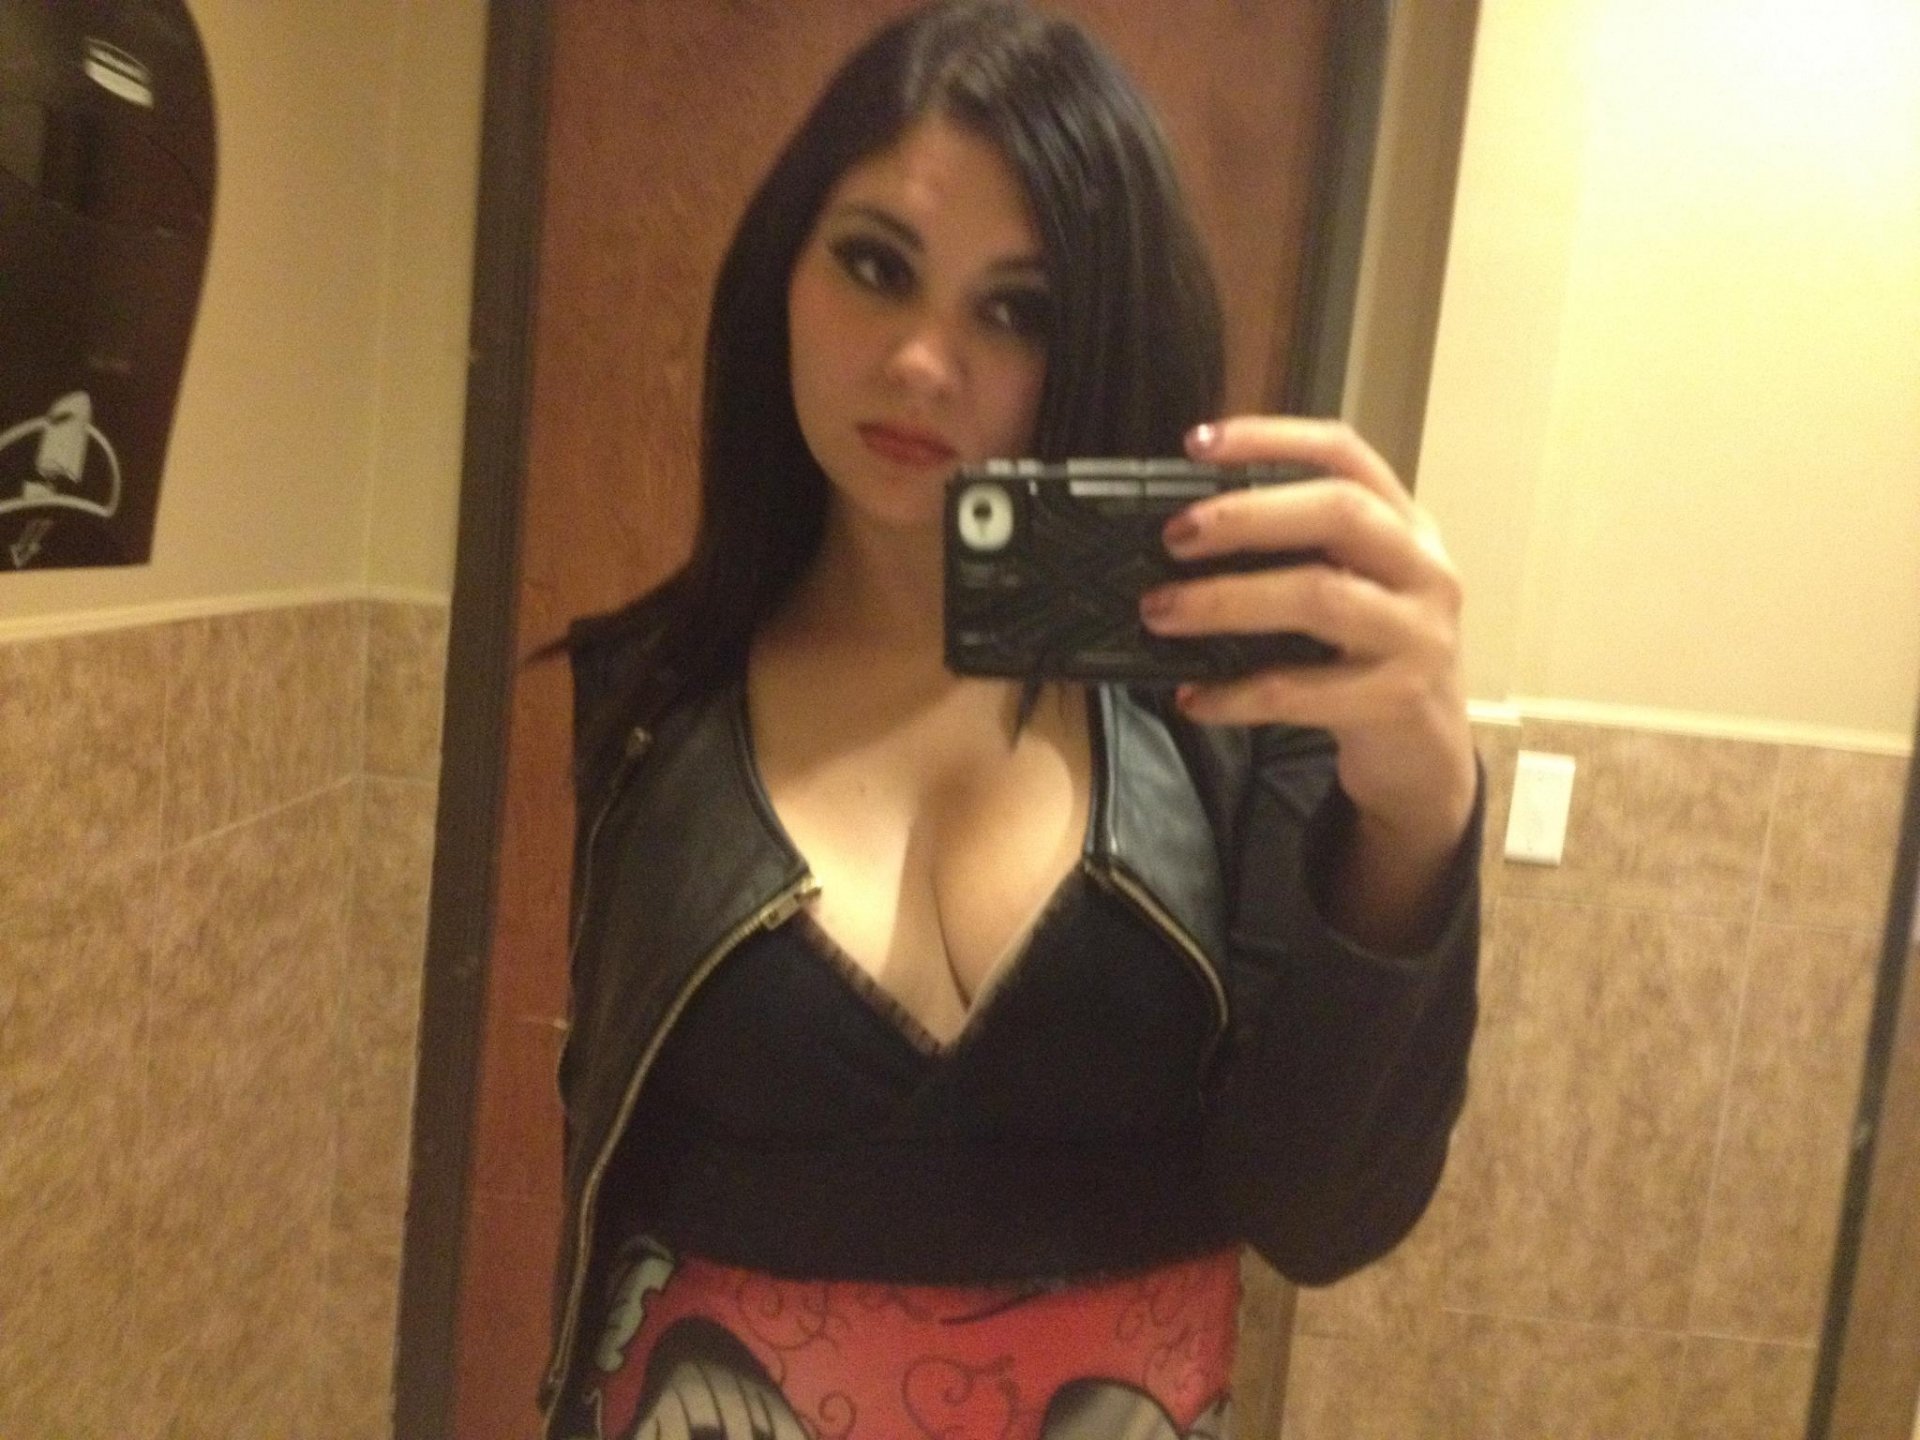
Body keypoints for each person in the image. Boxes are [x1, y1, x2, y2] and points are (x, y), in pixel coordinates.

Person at [544, 4, 1481, 1437]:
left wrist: (1418, 812)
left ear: (1101, 332)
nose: (924, 361)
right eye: (876, 266)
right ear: (783, 273)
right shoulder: (650, 704)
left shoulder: (1242, 715)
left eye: (1017, 309)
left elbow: (1323, 1213)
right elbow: (614, 1199)